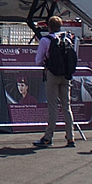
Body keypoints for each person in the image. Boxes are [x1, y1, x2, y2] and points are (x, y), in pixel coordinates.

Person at [33, 16, 76, 148]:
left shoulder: (46, 40)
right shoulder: (68, 38)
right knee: (66, 107)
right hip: (66, 74)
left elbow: (38, 60)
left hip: (52, 74)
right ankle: (70, 137)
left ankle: (48, 136)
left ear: (49, 26)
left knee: (52, 106)